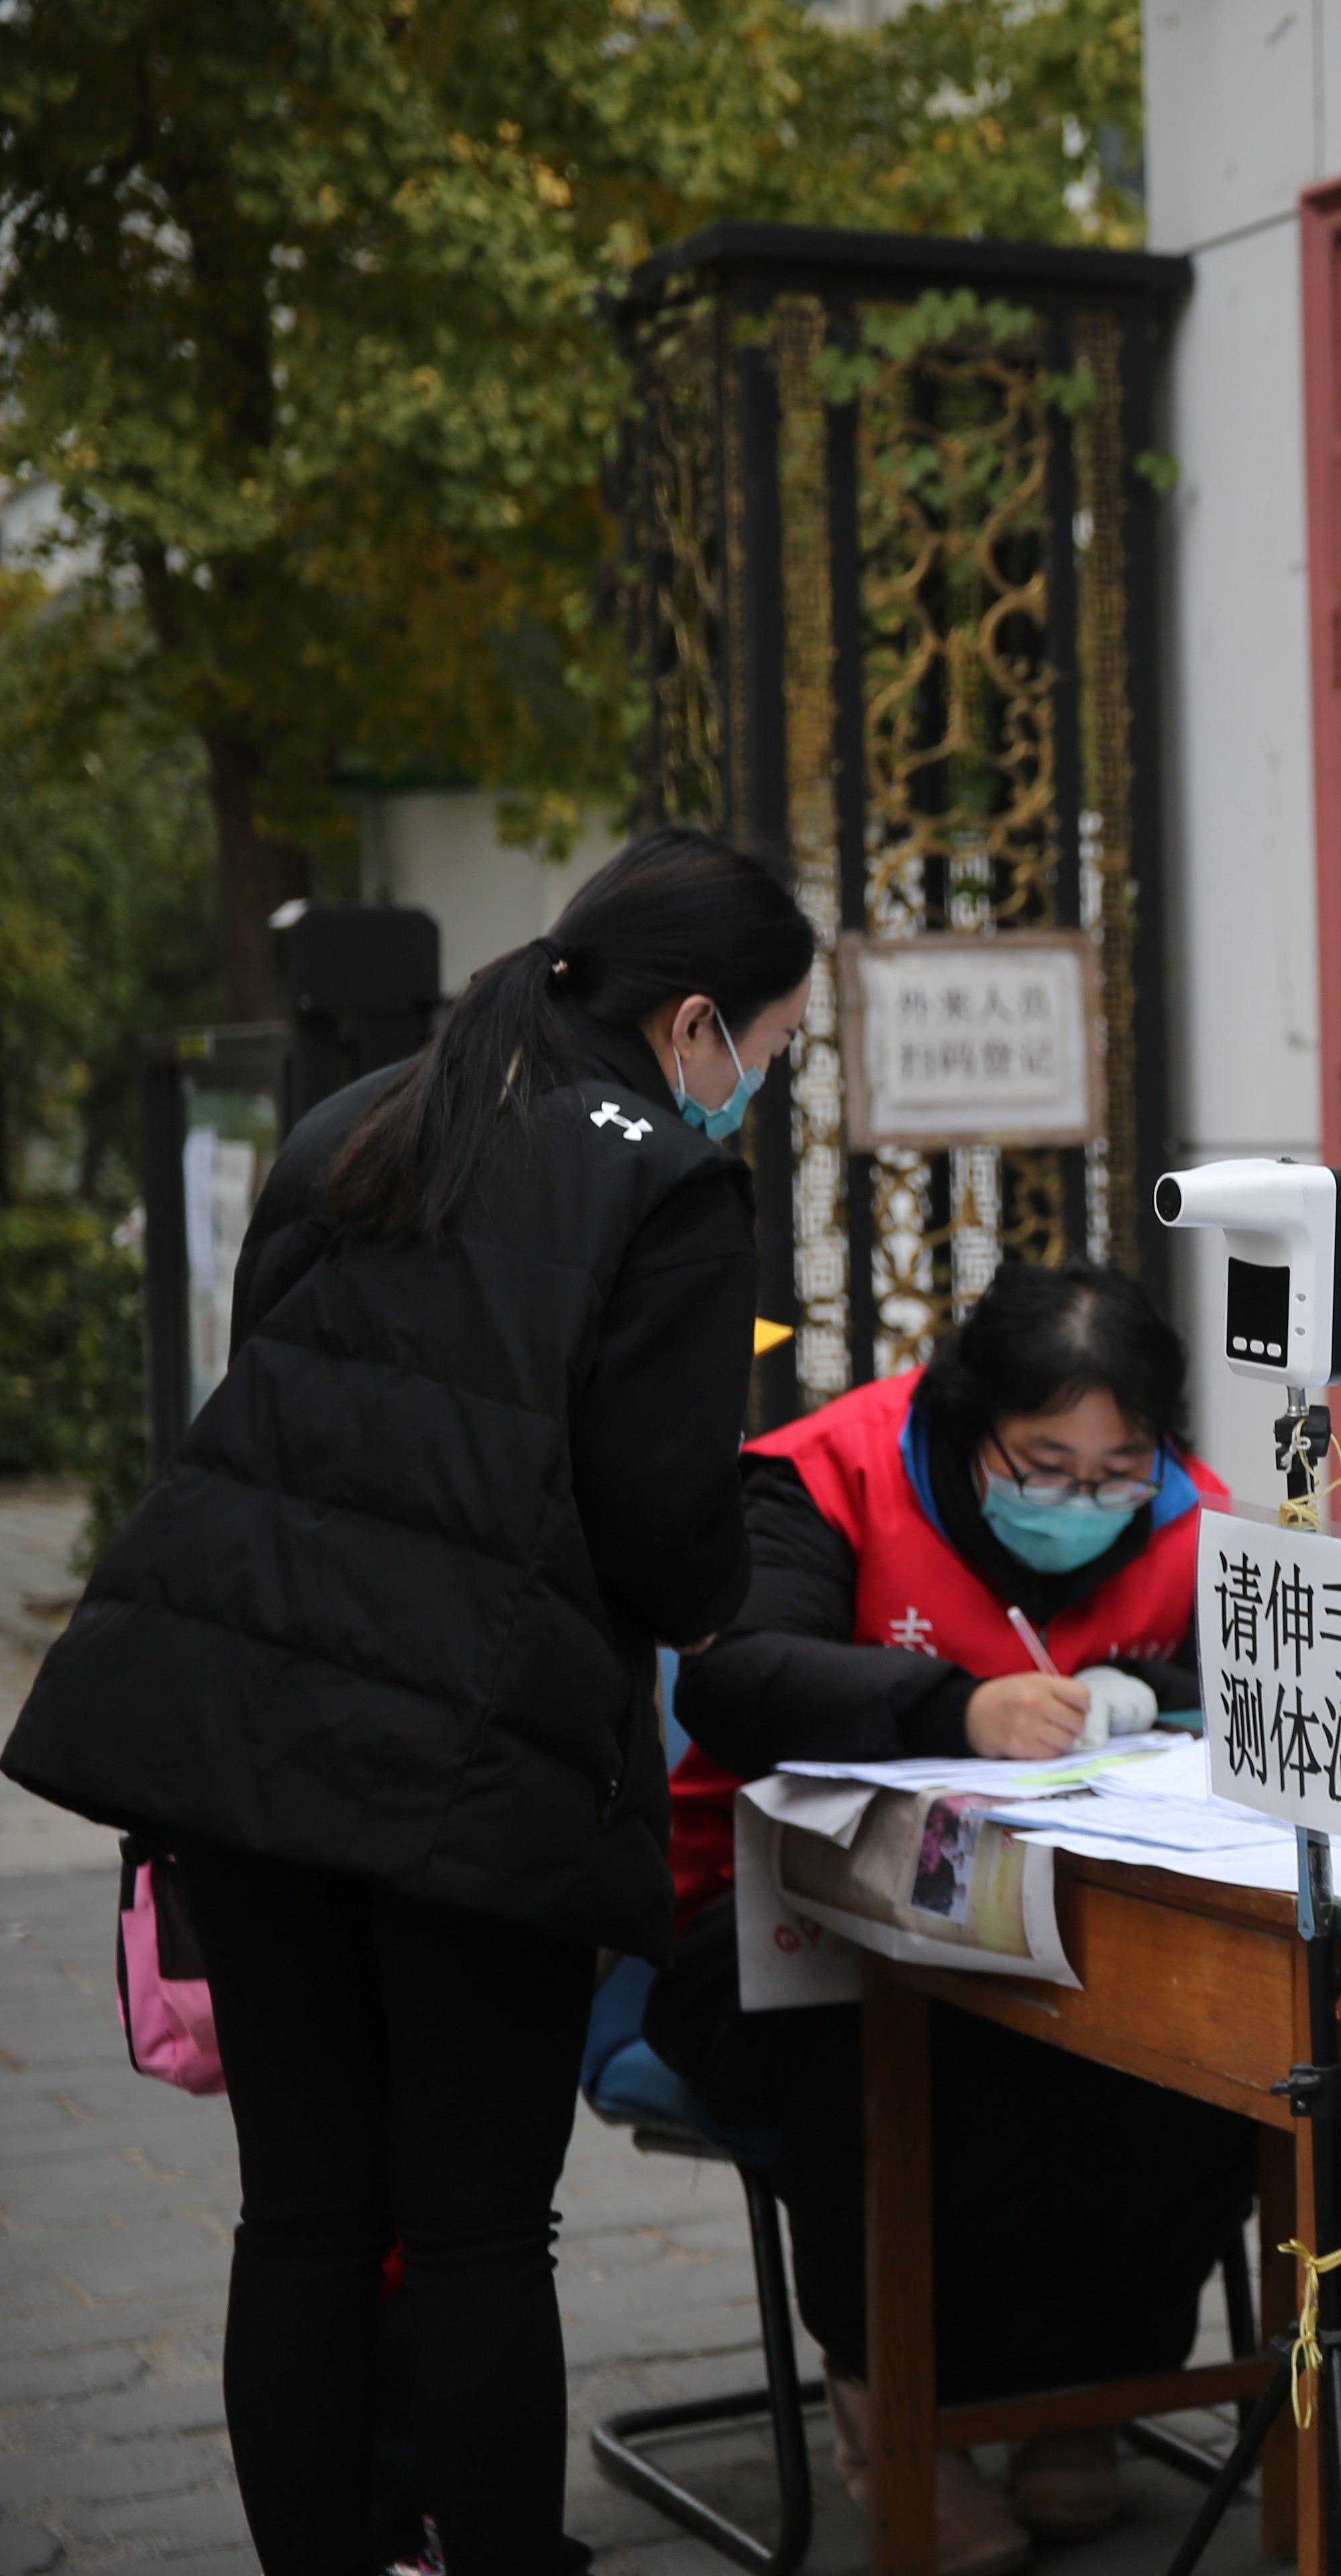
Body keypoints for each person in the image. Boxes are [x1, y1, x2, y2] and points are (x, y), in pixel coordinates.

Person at [3, 827, 816, 2576]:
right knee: (469, 2235)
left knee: (300, 2218)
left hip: (240, 1735)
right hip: (468, 1770)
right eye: (776, 1048)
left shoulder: (358, 1118)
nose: (766, 1085)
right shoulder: (669, 1186)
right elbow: (660, 1545)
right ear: (696, 1025)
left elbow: (275, 1417)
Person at [659, 1263, 1252, 2574]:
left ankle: (1096, 2382)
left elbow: (1247, 1686)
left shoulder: (1190, 1519)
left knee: (1221, 2042)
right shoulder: (830, 1475)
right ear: (965, 1418)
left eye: (1119, 1470)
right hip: (772, 1924)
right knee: (889, 2036)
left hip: (1082, 1914)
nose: (1086, 1501)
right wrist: (955, 1708)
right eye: (1046, 1462)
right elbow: (737, 1672)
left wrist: (1161, 1699)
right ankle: (899, 2409)